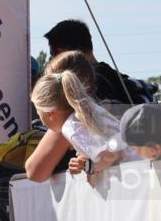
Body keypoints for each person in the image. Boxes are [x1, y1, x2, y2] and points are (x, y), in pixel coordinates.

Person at [30, 53, 137, 186]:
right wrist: (84, 160)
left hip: (135, 178)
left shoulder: (71, 128)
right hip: (141, 166)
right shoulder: (91, 108)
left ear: (50, 113)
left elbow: (111, 155)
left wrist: (89, 166)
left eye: (39, 114)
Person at [44, 19, 156, 107]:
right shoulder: (110, 74)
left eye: (54, 53)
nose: (54, 60)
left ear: (66, 52)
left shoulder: (90, 82)